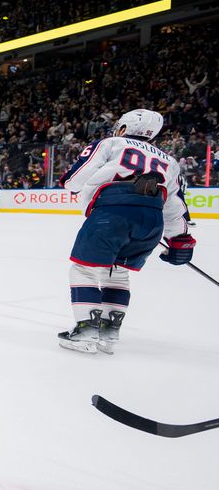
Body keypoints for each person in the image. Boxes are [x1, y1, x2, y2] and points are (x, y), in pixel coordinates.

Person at [58, 109, 195, 355]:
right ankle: (109, 333)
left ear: (123, 128)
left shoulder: (111, 143)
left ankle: (87, 331)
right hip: (151, 219)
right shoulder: (169, 161)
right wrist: (180, 240)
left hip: (113, 213)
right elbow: (176, 205)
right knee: (118, 272)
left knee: (84, 269)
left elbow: (74, 181)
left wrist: (70, 180)